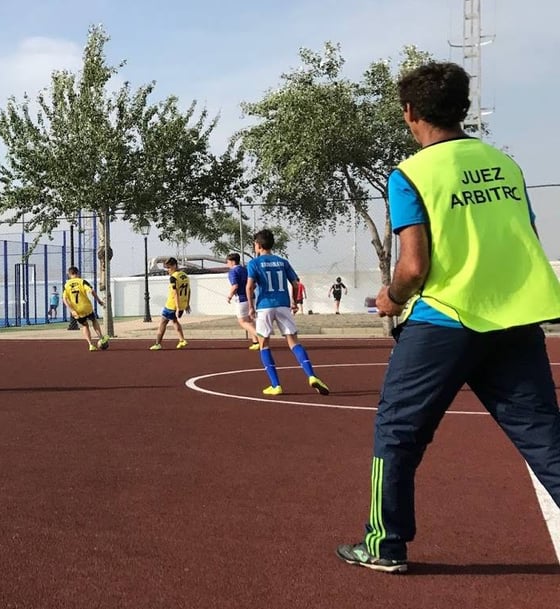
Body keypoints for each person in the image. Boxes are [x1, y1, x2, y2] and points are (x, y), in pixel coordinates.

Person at [336, 61, 560, 574]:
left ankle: (384, 544)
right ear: (462, 106)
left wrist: (390, 298)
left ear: (410, 112)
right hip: (514, 320)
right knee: (544, 436)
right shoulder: (505, 164)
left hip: (444, 321)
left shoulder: (411, 173)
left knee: (398, 432)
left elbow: (414, 266)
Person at [245, 229, 330, 397]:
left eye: (255, 244)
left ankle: (276, 385)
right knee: (294, 343)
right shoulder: (282, 262)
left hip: (264, 306)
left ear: (259, 245)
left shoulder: (254, 263)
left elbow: (249, 286)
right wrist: (295, 302)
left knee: (264, 345)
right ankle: (311, 375)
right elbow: (296, 283)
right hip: (283, 305)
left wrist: (251, 307)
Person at [62, 266, 109, 351]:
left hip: (77, 310)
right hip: (86, 307)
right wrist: (99, 301)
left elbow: (64, 299)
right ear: (78, 273)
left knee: (85, 325)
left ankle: (90, 345)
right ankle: (101, 338)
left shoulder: (66, 285)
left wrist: (71, 310)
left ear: (69, 274)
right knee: (94, 320)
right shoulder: (82, 281)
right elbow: (91, 291)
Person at [150, 258, 189, 350]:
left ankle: (157, 344)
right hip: (181, 304)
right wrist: (187, 304)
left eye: (169, 268)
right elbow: (188, 290)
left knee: (163, 322)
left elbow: (175, 293)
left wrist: (178, 307)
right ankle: (182, 340)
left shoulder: (173, 278)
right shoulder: (184, 276)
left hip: (172, 305)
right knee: (174, 321)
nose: (168, 270)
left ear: (174, 266)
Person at [225, 252, 260, 350]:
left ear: (232, 262)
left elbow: (235, 286)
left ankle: (261, 336)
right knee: (250, 320)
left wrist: (229, 296)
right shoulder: (246, 269)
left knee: (242, 321)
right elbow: (254, 284)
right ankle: (256, 342)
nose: (227, 264)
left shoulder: (233, 272)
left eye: (227, 262)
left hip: (241, 299)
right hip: (251, 297)